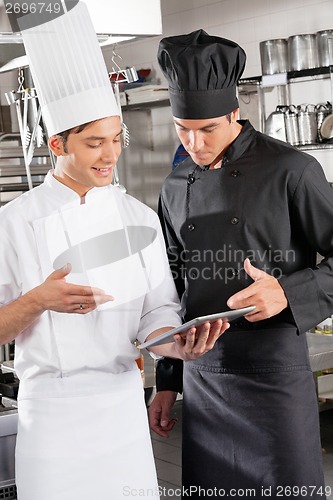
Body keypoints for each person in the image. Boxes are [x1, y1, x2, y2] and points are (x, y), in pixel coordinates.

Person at [0, 11, 229, 500]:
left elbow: (156, 312)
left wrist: (175, 344)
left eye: (115, 140)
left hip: (122, 409)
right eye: (93, 143)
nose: (109, 156)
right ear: (56, 142)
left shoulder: (139, 219)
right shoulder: (13, 223)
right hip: (53, 417)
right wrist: (39, 299)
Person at [149, 29, 333, 499]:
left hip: (274, 374)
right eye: (182, 128)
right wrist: (166, 381)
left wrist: (286, 292)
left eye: (207, 128)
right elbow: (172, 286)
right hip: (203, 377)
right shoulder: (174, 186)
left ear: (235, 112)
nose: (193, 142)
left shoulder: (292, 170)